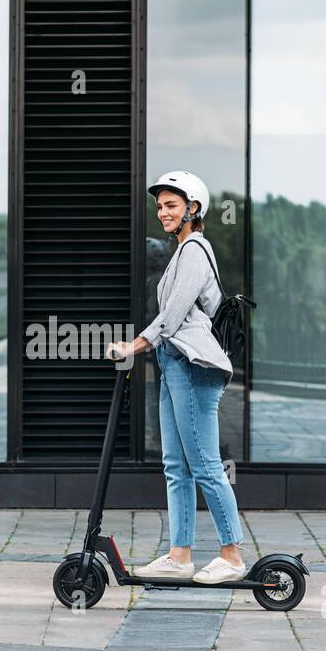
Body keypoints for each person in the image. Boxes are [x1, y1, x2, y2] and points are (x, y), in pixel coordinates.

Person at [104, 171, 247, 585]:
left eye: (171, 205)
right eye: (160, 206)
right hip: (173, 366)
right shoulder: (181, 251)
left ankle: (232, 555)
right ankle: (180, 554)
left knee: (204, 465)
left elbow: (174, 314)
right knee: (175, 466)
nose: (162, 212)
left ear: (193, 209)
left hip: (193, 369)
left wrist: (133, 345)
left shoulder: (196, 251)